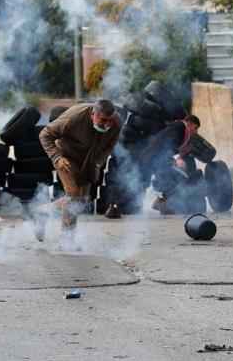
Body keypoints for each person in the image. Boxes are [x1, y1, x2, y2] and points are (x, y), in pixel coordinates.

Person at [38, 99, 121, 249]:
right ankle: (66, 240)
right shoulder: (75, 117)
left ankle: (43, 211)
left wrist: (98, 161)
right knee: (73, 196)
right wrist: (57, 158)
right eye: (103, 120)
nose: (107, 124)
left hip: (89, 161)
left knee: (81, 201)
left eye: (110, 121)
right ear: (93, 114)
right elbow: (45, 134)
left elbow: (110, 146)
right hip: (66, 158)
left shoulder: (116, 122)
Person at [140, 115, 201, 215]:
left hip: (153, 157)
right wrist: (176, 160)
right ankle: (163, 204)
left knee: (168, 177)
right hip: (154, 158)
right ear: (189, 123)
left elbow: (170, 145)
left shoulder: (178, 127)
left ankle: (160, 202)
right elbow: (168, 144)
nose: (196, 131)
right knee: (176, 176)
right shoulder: (180, 127)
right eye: (195, 128)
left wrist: (181, 153)